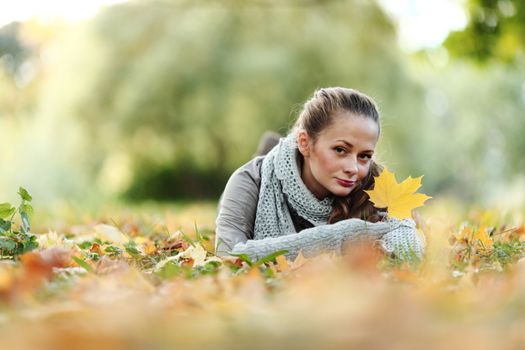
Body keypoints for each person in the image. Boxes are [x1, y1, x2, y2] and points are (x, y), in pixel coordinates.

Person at [215, 87, 424, 262]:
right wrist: (345, 235)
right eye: (341, 150)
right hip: (267, 176)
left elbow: (411, 241)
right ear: (305, 143)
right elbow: (229, 254)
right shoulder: (250, 180)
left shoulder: (374, 184)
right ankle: (269, 149)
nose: (353, 168)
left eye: (364, 155)